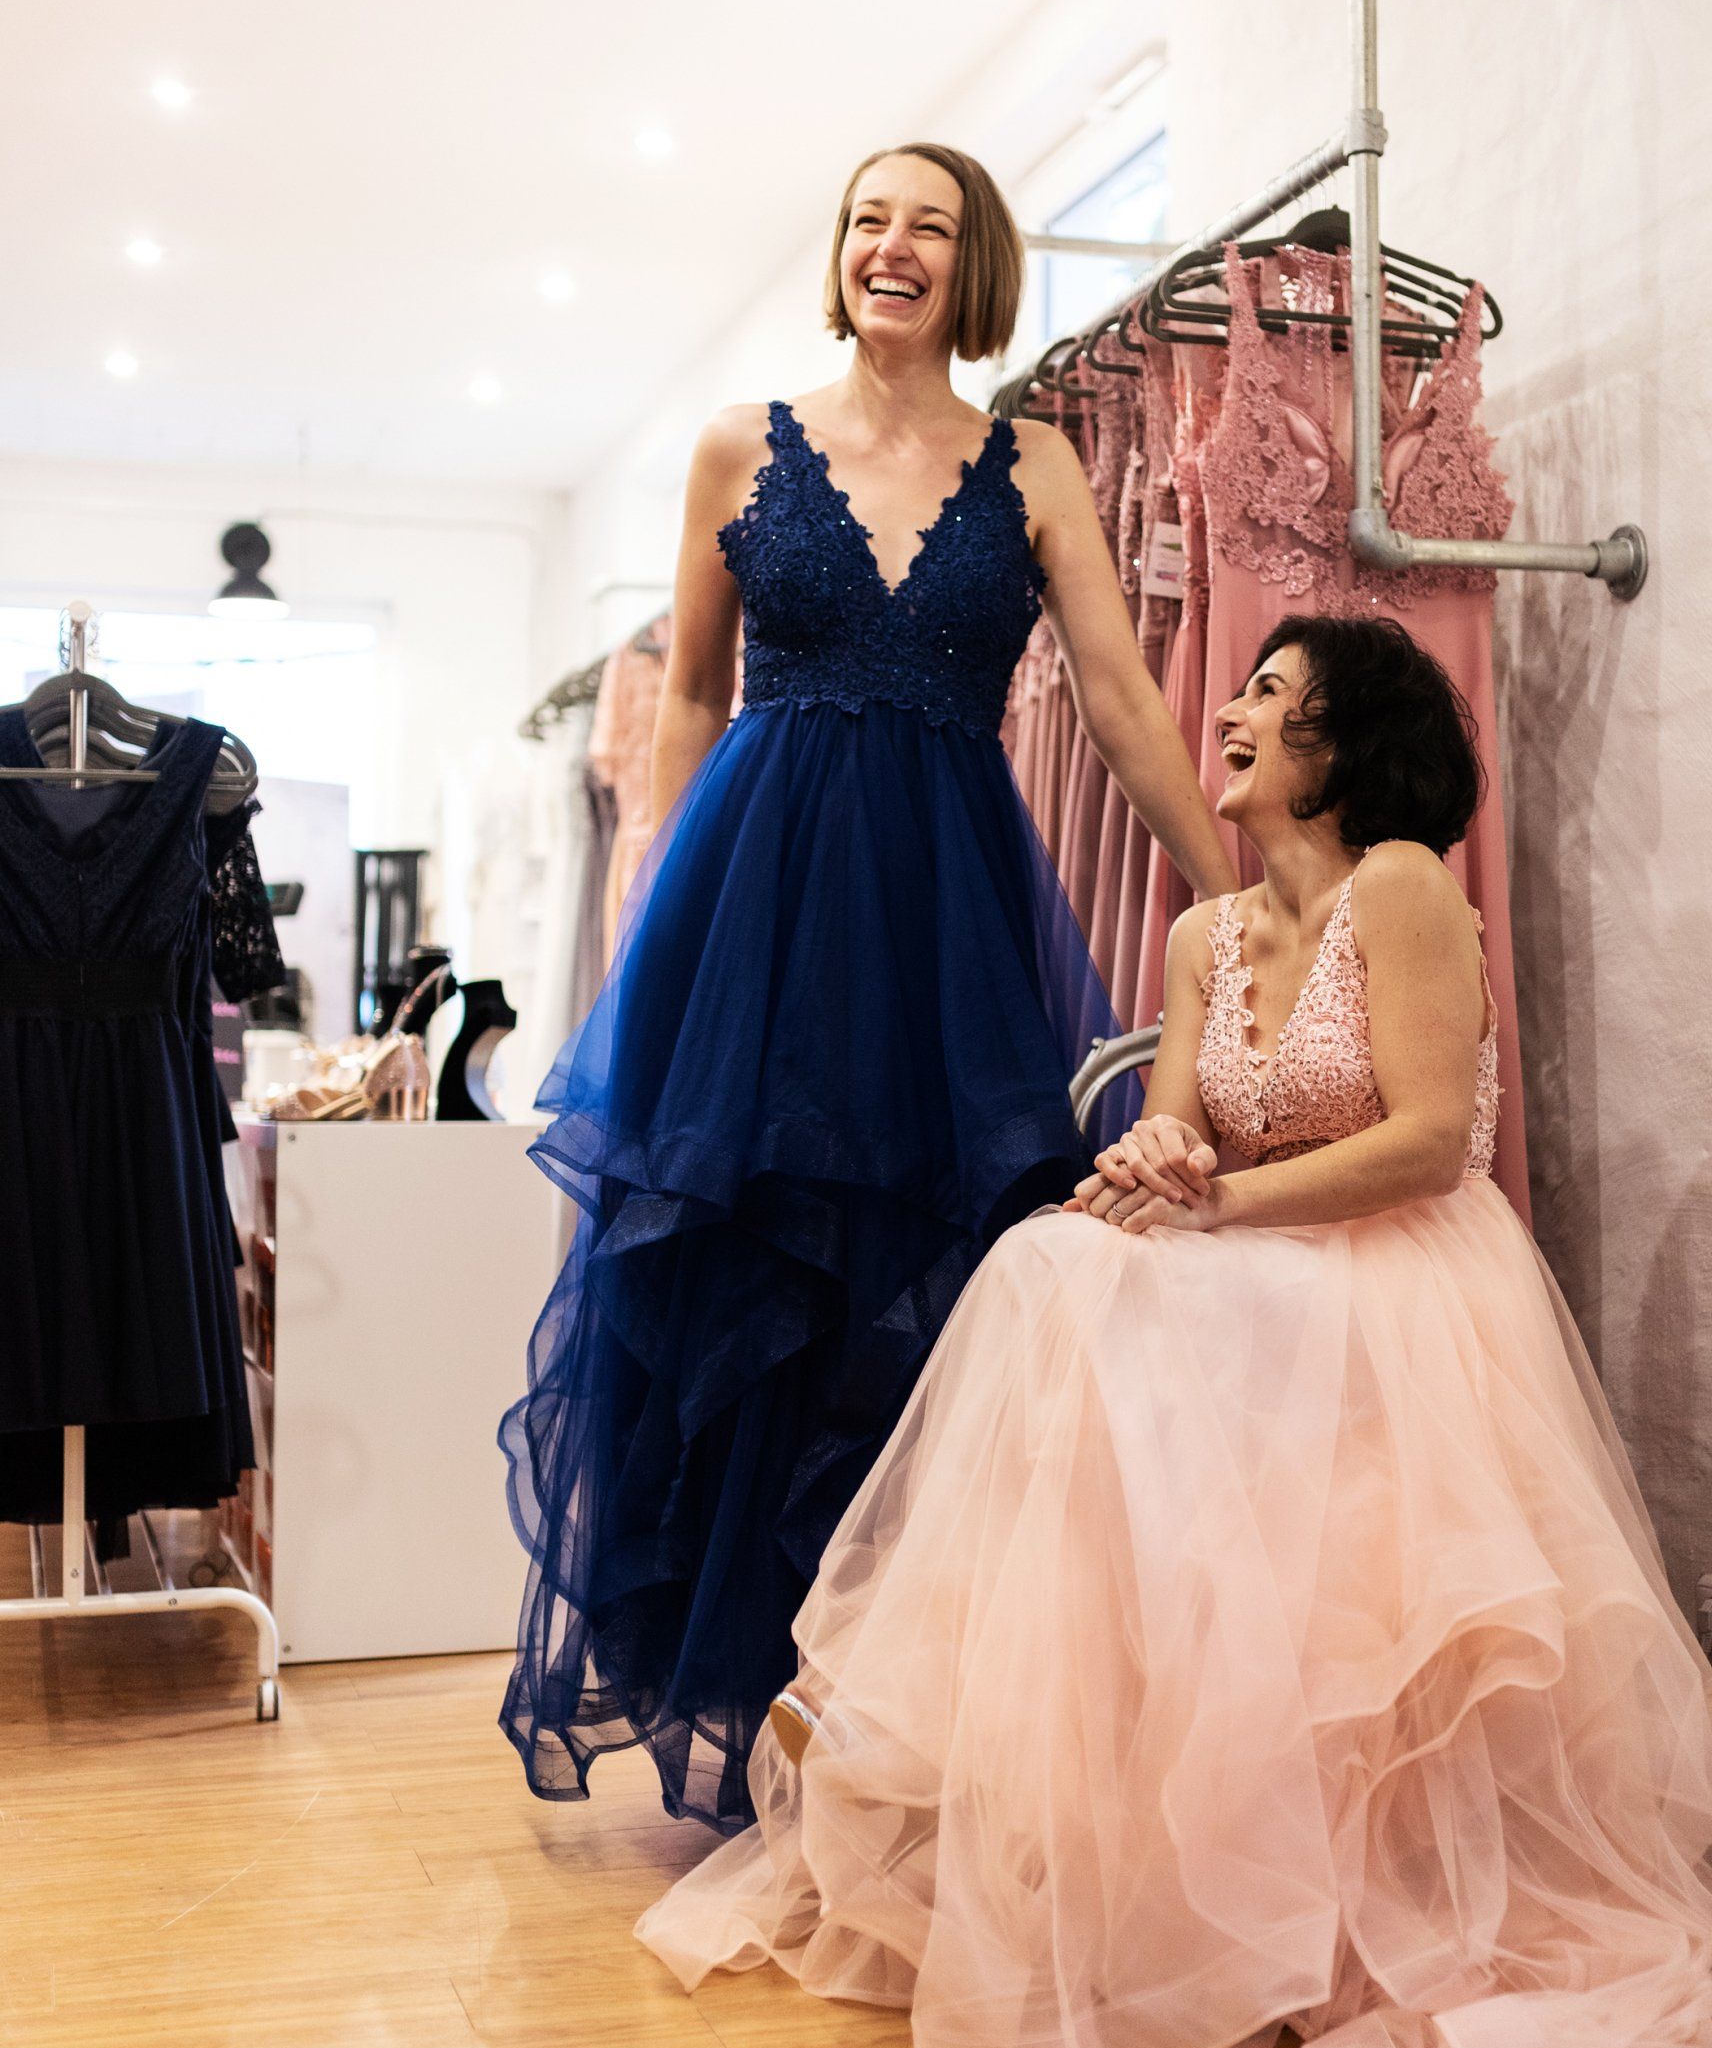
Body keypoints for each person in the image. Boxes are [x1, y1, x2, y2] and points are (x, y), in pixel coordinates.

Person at [639, 614, 1712, 2048]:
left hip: (1398, 1272)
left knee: (1098, 1299)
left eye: (1270, 692)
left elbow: (1425, 1142)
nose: (1234, 711)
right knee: (1050, 1267)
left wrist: (1215, 1210)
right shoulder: (1205, 936)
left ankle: (970, 1738)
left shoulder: (1405, 888)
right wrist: (1153, 1156)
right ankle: (959, 1745)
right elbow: (1184, 1124)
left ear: (1343, 745)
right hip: (1263, 1264)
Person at [500, 142, 1238, 1827]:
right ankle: (764, 1708)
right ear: (838, 255)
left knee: (945, 1277)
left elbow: (1120, 696)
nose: (892, 247)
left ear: (974, 269)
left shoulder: (1035, 461)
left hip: (944, 916)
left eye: (931, 226)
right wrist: (654, 927)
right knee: (748, 1273)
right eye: (867, 221)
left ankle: (917, 1715)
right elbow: (693, 704)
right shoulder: (737, 446)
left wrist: (1233, 894)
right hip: (753, 909)